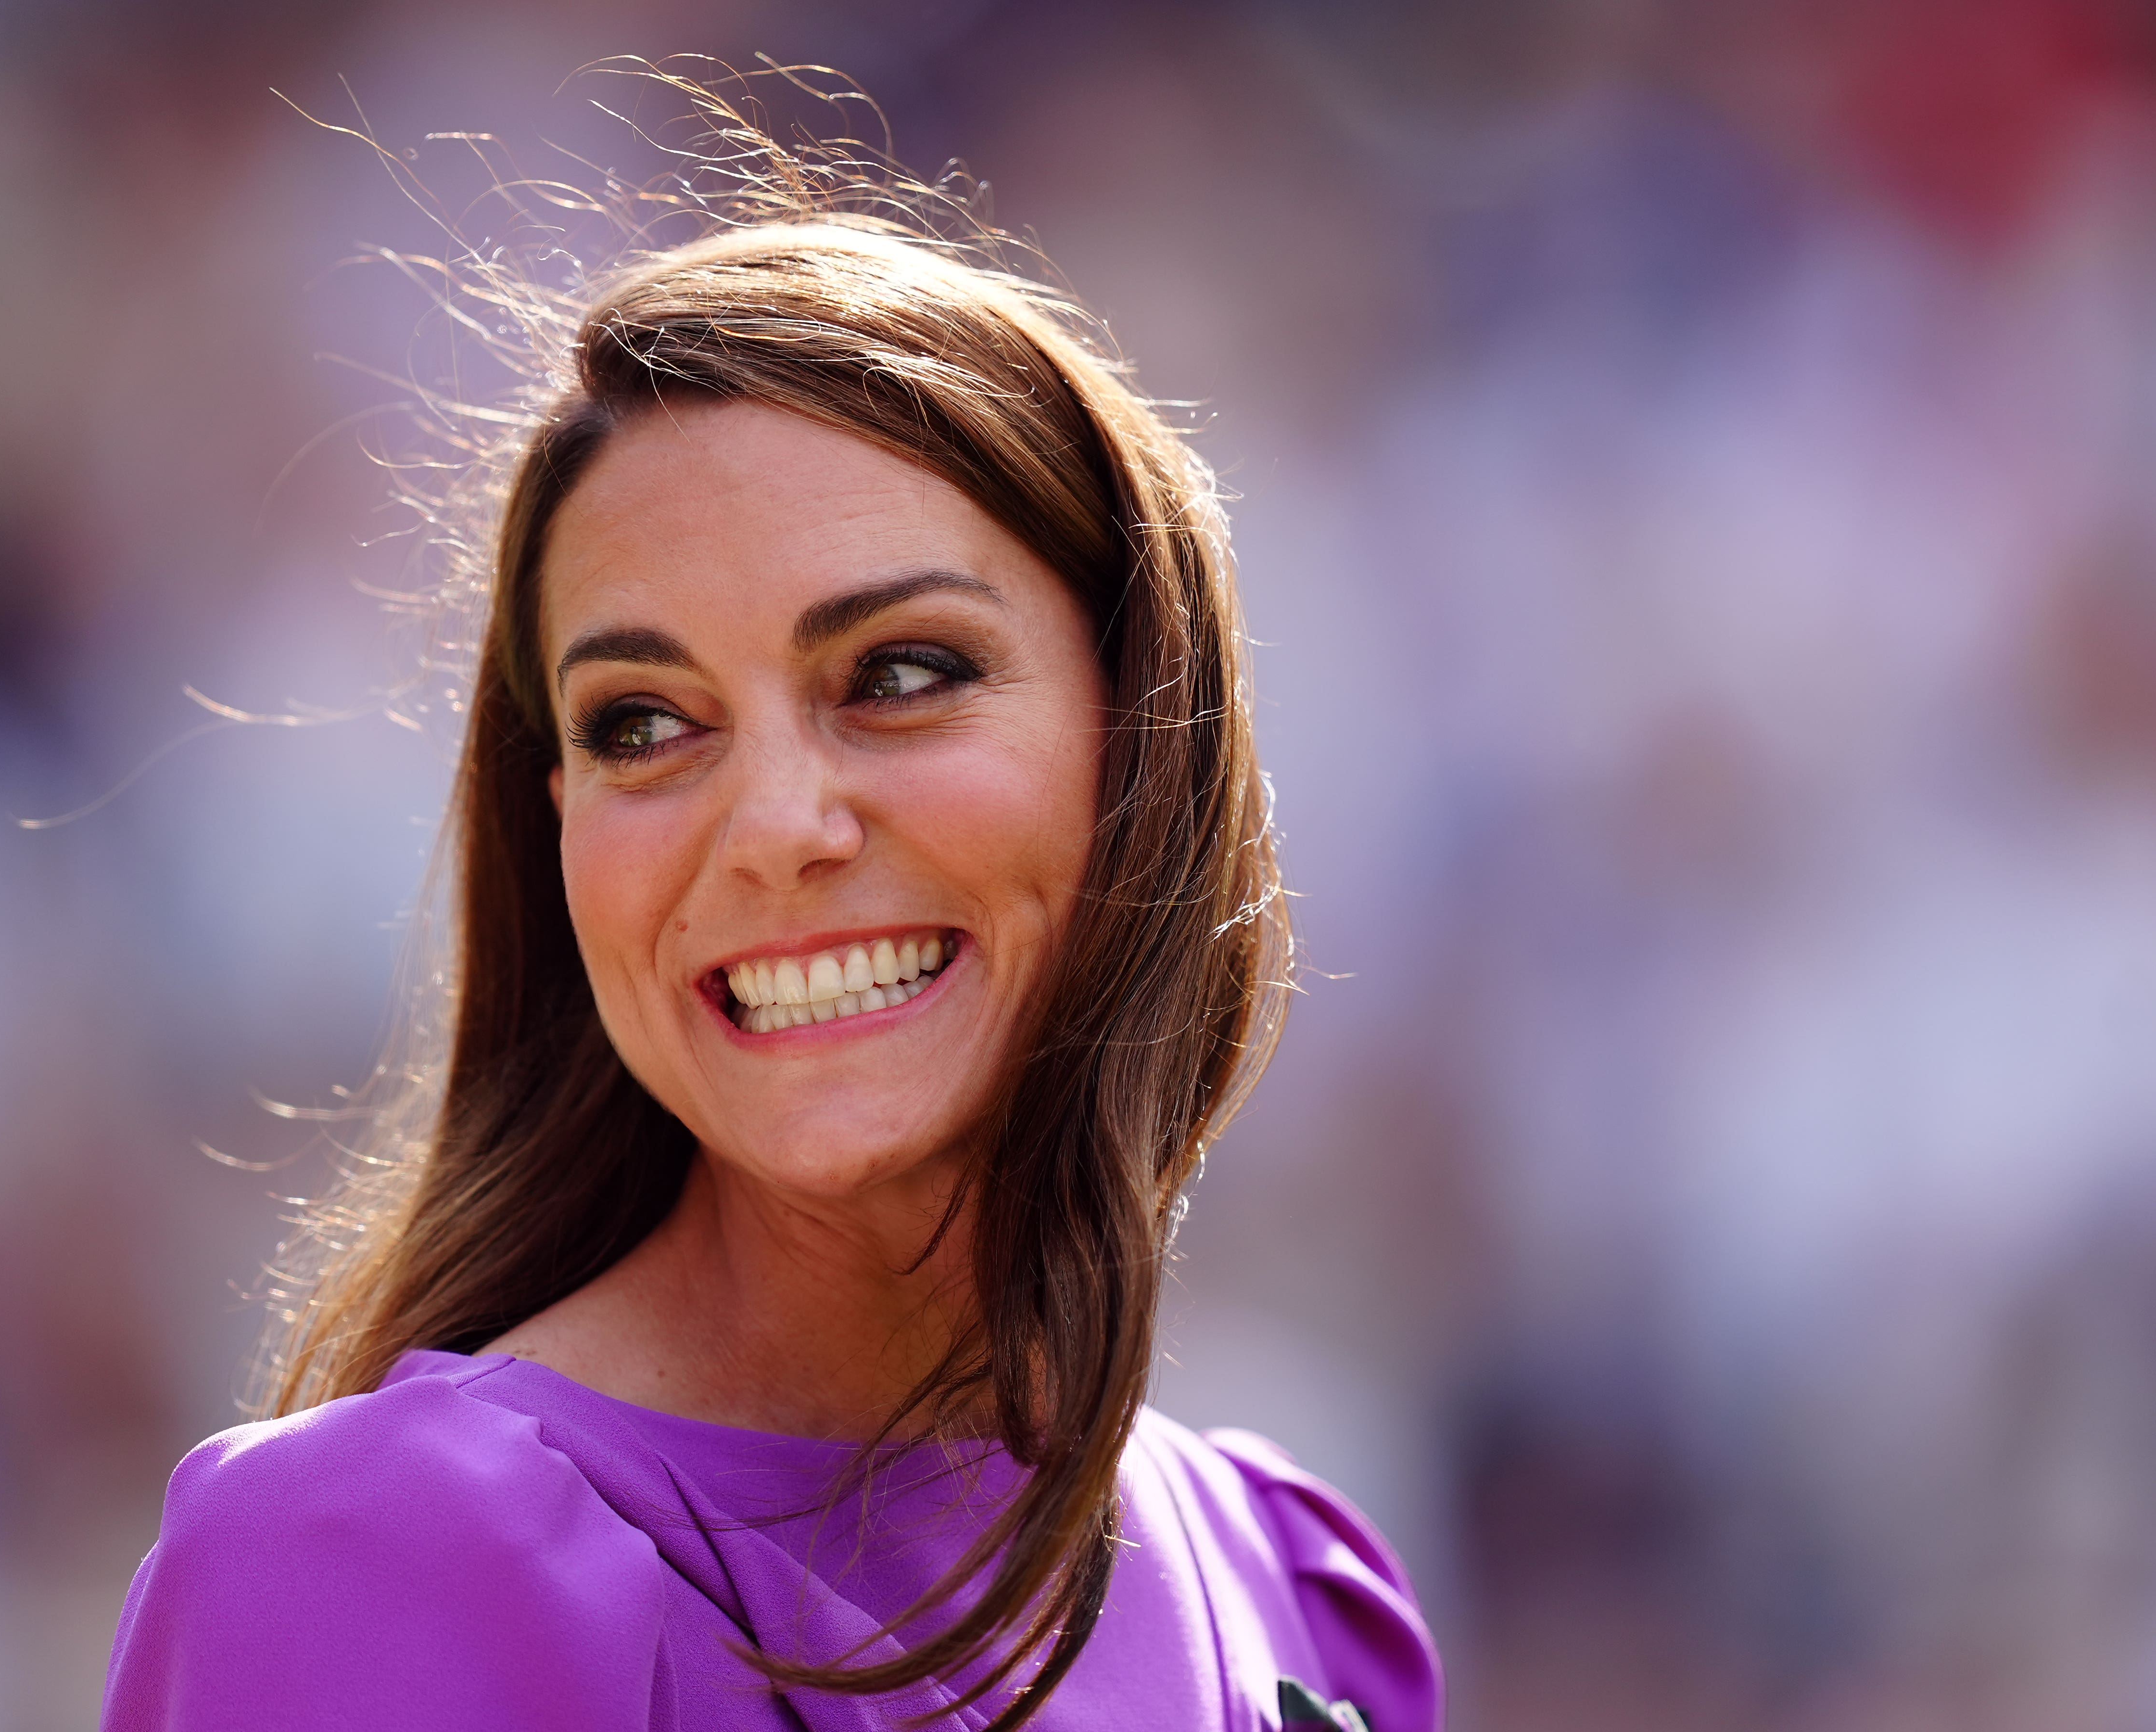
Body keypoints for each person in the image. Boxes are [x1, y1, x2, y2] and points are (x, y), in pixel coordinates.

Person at [101, 83, 1443, 1732]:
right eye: (642, 726)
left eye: (897, 676)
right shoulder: (377, 1562)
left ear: (1143, 736)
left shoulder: (1289, 1587)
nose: (775, 830)